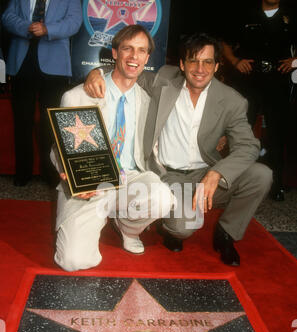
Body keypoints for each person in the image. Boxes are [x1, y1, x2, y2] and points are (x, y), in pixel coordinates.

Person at [84, 32, 273, 267]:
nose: (200, 68)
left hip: (206, 173)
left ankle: (226, 233)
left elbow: (249, 145)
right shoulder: (163, 80)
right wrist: (96, 72)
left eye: (207, 62)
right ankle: (170, 227)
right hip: (169, 175)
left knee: (261, 175)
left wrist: (217, 173)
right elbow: (125, 70)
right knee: (183, 228)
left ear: (217, 66)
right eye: (193, 60)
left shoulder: (232, 100)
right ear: (182, 64)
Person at [50, 25, 174, 272]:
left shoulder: (149, 100)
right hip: (92, 185)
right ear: (114, 53)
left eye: (141, 51)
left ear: (147, 58)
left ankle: (126, 228)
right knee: (73, 262)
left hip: (131, 177)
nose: (133, 57)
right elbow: (58, 149)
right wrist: (69, 175)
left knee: (163, 197)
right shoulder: (78, 97)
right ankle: (96, 218)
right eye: (127, 49)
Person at [222, 0, 297, 201]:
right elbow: (224, 43)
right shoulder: (245, 12)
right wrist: (235, 61)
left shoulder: (292, 14)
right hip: (248, 80)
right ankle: (229, 182)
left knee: (277, 134)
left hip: (278, 80)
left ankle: (276, 185)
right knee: (239, 131)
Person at [2, 0, 82, 186]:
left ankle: (51, 174)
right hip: (21, 64)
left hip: (56, 66)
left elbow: (75, 22)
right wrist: (26, 27)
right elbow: (7, 17)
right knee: (22, 121)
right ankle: (23, 173)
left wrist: (47, 29)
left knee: (51, 124)